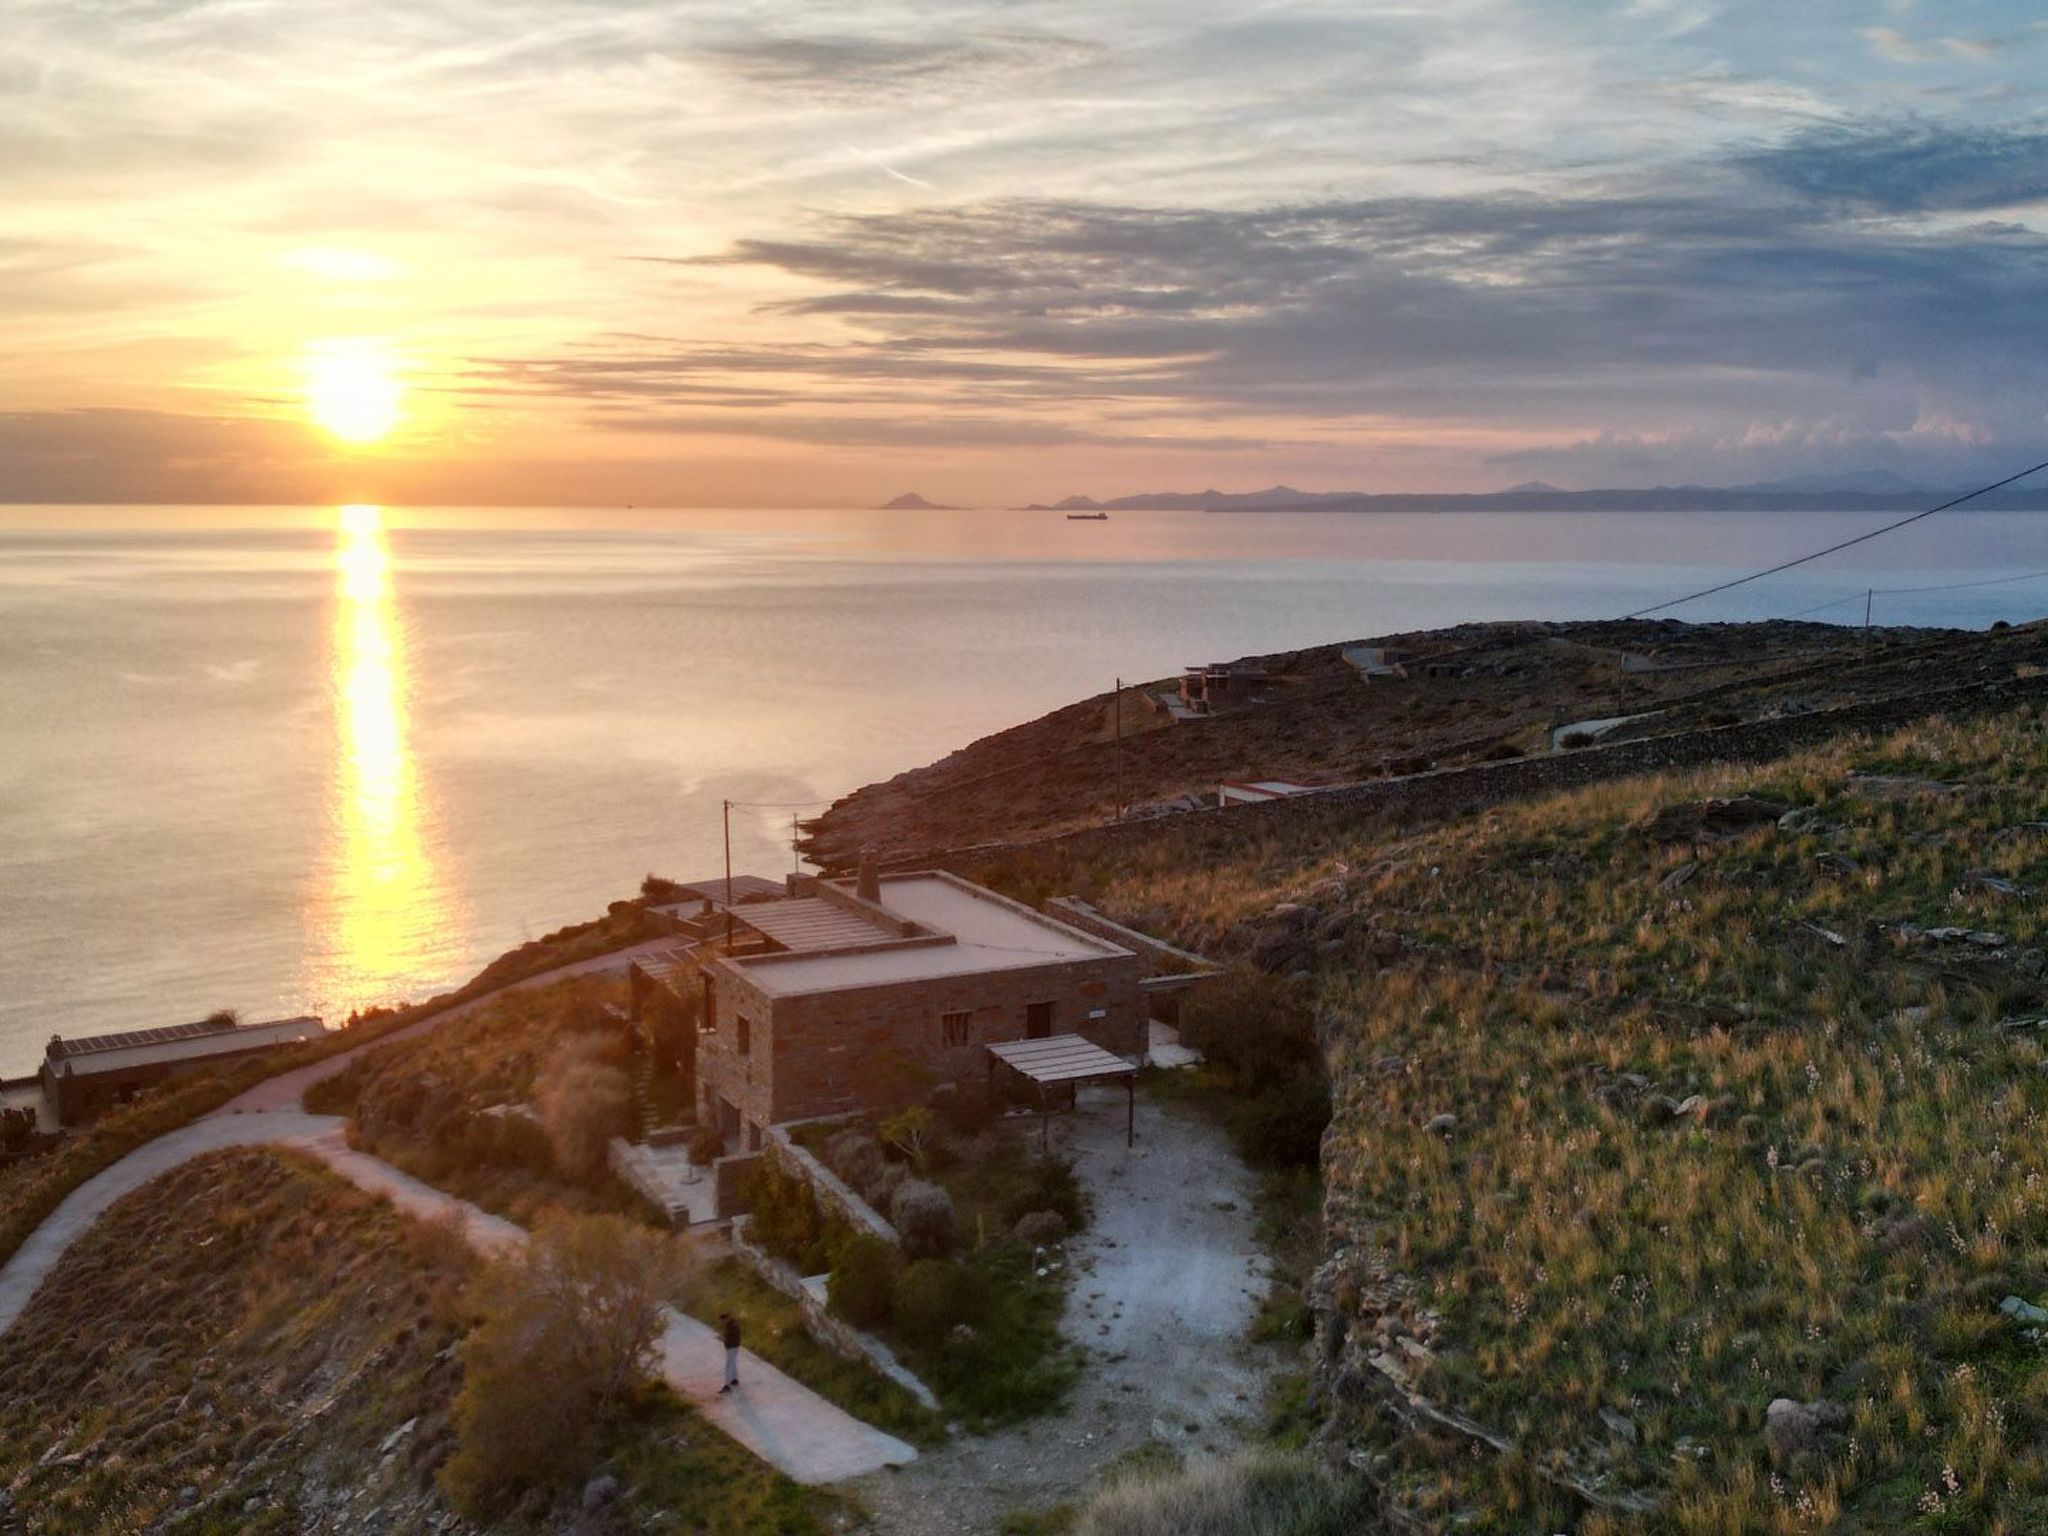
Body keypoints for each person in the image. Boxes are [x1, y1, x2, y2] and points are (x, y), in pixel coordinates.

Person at [719, 1311, 742, 1393]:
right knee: (733, 1363)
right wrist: (724, 1336)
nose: (722, 1323)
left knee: (729, 1366)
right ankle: (735, 1379)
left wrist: (722, 1339)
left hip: (732, 1347)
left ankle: (727, 1386)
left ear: (727, 1319)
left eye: (723, 1321)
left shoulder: (732, 1326)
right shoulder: (731, 1325)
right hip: (735, 1346)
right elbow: (731, 1336)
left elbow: (731, 1339)